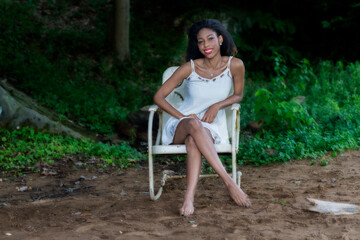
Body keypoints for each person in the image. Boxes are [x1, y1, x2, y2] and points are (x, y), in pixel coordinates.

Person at [153, 19, 251, 216]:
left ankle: (188, 198)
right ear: (196, 45)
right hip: (181, 125)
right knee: (192, 126)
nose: (206, 45)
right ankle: (229, 182)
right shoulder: (190, 67)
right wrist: (182, 116)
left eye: (210, 39)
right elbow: (158, 97)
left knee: (193, 141)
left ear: (220, 39)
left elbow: (238, 95)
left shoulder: (236, 65)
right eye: (200, 41)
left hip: (211, 127)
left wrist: (218, 105)